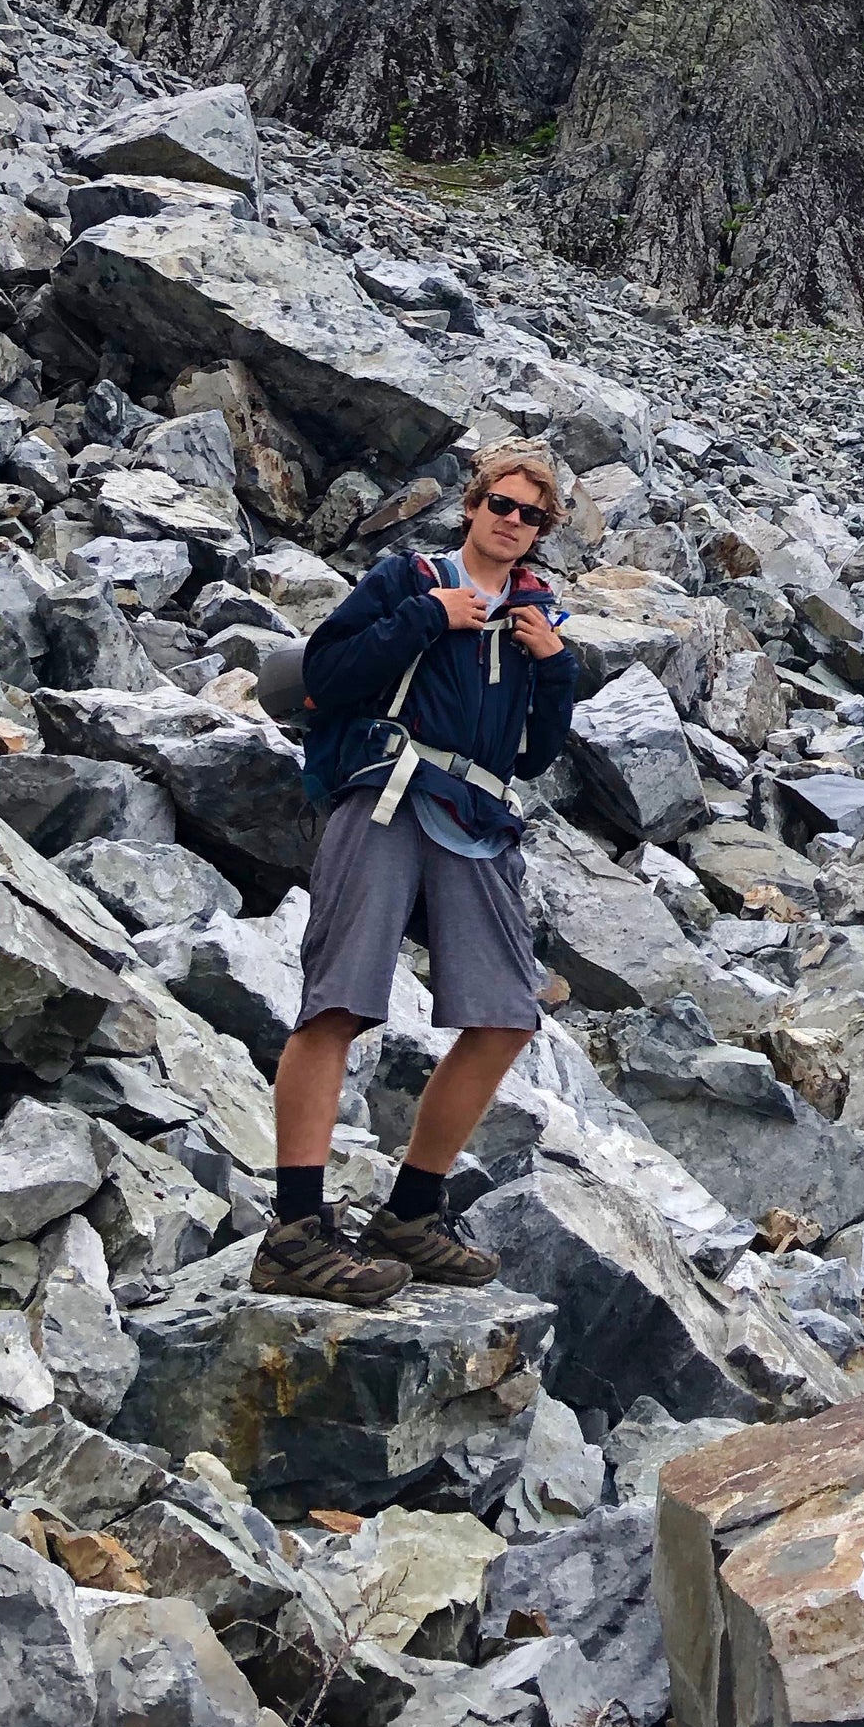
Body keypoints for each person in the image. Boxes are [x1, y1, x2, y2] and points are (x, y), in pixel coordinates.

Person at [250, 440, 581, 1301]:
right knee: (339, 1004)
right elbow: (327, 674)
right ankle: (294, 1231)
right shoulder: (408, 581)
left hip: (474, 817)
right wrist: (432, 619)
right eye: (500, 505)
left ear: (543, 532)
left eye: (530, 515)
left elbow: (535, 755)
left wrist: (556, 667)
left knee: (507, 1016)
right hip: (387, 795)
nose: (512, 522)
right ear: (472, 507)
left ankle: (410, 1212)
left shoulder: (538, 616)